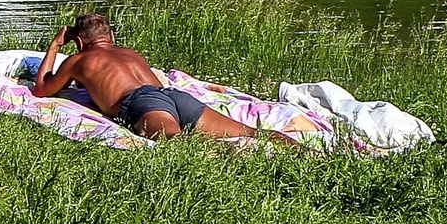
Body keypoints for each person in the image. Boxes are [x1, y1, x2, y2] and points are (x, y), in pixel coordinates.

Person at [32, 12, 270, 143]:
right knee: (250, 132)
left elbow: (41, 89)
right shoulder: (130, 53)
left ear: (80, 41)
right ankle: (303, 150)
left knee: (176, 145)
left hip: (142, 103)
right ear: (111, 36)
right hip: (173, 96)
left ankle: (234, 162)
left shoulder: (78, 60)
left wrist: (55, 46)